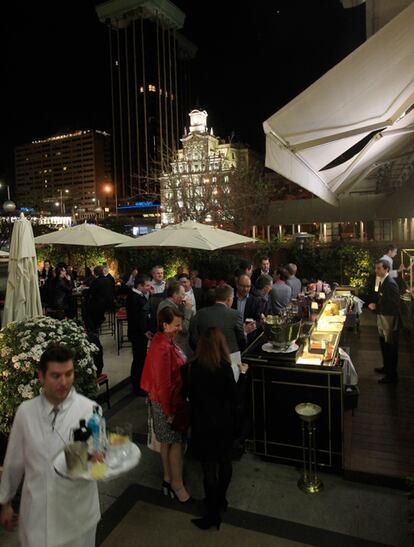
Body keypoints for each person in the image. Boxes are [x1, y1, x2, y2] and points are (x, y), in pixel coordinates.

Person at [0, 344, 100, 547]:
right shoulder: (26, 413)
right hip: (37, 514)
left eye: (69, 374)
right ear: (41, 376)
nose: (64, 382)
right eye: (56, 376)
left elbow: (99, 458)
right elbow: (14, 461)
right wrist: (6, 501)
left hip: (77, 516)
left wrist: (98, 460)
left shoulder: (90, 410)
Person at [186, 328, 248, 530]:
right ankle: (221, 500)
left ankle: (212, 513)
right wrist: (244, 375)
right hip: (224, 423)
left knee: (208, 469)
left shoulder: (194, 367)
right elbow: (236, 397)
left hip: (203, 423)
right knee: (225, 462)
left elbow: (190, 395)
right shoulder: (224, 367)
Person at [140, 306, 191, 503]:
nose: (180, 328)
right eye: (176, 325)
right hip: (167, 403)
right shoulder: (162, 348)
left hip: (165, 400)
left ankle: (168, 478)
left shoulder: (164, 341)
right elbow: (163, 384)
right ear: (165, 325)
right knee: (175, 442)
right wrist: (170, 411)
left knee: (167, 442)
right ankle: (177, 485)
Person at [190, 284, 255, 381]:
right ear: (229, 299)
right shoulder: (235, 314)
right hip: (230, 361)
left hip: (206, 361)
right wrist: (245, 332)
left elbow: (193, 339)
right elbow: (241, 341)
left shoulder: (200, 313)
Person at [368, 260, 400, 384]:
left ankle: (392, 376)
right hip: (383, 318)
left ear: (386, 269)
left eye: (379, 268)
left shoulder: (390, 283)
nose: (376, 271)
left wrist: (376, 307)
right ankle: (386, 368)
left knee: (390, 347)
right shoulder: (383, 281)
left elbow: (394, 305)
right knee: (384, 344)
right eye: (376, 268)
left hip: (390, 320)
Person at [126, 274, 152, 396]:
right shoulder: (134, 297)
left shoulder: (138, 295)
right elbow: (136, 318)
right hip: (137, 334)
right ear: (140, 285)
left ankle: (139, 384)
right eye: (147, 285)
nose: (149, 287)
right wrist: (144, 331)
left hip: (139, 333)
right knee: (138, 360)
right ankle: (137, 387)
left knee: (140, 359)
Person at [157, 281, 193, 356]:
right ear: (175, 294)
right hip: (175, 347)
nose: (184, 297)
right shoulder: (167, 307)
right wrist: (188, 310)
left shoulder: (175, 305)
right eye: (183, 294)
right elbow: (184, 328)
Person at [84, 266, 113, 333]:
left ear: (95, 273)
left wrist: (85, 290)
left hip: (100, 304)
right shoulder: (108, 279)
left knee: (85, 309)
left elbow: (91, 291)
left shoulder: (97, 281)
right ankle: (99, 320)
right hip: (109, 303)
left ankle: (93, 328)